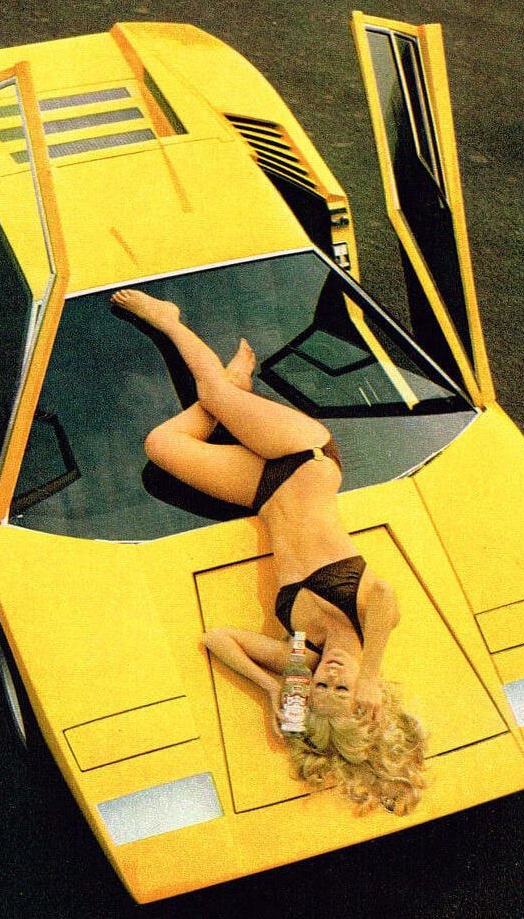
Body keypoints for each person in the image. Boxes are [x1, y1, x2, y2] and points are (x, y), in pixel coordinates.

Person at [111, 288, 427, 815]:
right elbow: (387, 594)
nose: (333, 674)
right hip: (304, 456)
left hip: (263, 491)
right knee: (212, 388)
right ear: (367, 697)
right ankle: (170, 321)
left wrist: (271, 689)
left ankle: (233, 393)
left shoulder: (302, 654)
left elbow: (218, 638)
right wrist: (369, 674)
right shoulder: (372, 625)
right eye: (343, 688)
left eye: (322, 687)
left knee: (161, 446)